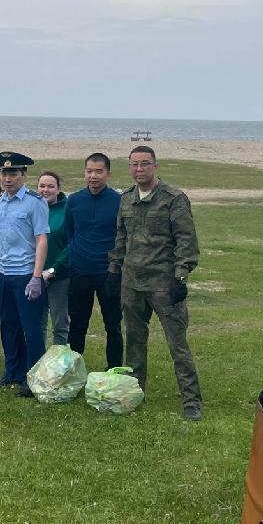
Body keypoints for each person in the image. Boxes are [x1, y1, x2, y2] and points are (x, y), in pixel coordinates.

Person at [108, 146, 203, 421]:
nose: (139, 169)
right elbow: (120, 238)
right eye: (134, 164)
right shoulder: (126, 198)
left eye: (145, 164)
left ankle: (191, 401)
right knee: (135, 342)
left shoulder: (173, 199)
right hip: (132, 282)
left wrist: (181, 276)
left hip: (164, 284)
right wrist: (114, 270)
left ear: (155, 166)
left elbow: (186, 240)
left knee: (178, 345)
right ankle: (135, 392)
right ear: (129, 167)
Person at [0, 151, 49, 398]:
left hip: (25, 273)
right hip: (3, 271)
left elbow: (41, 239)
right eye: (4, 173)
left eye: (13, 173)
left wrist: (36, 276)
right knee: (8, 325)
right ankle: (12, 372)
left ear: (23, 175)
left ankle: (33, 377)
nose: (7, 178)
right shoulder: (0, 202)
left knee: (30, 328)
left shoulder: (35, 202)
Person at [65, 153, 123, 369]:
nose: (94, 176)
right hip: (79, 271)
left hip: (108, 272)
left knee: (113, 325)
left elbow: (122, 235)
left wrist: (115, 268)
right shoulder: (75, 200)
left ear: (108, 173)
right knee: (77, 325)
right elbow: (71, 232)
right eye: (89, 171)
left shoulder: (119, 201)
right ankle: (73, 370)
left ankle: (114, 369)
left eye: (99, 171)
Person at [36, 171, 70, 347]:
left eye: (50, 186)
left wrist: (52, 270)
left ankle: (59, 364)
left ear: (58, 189)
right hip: (34, 276)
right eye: (42, 186)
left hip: (60, 276)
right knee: (38, 323)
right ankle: (38, 362)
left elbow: (71, 244)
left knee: (60, 324)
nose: (45, 190)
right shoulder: (33, 209)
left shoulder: (67, 210)